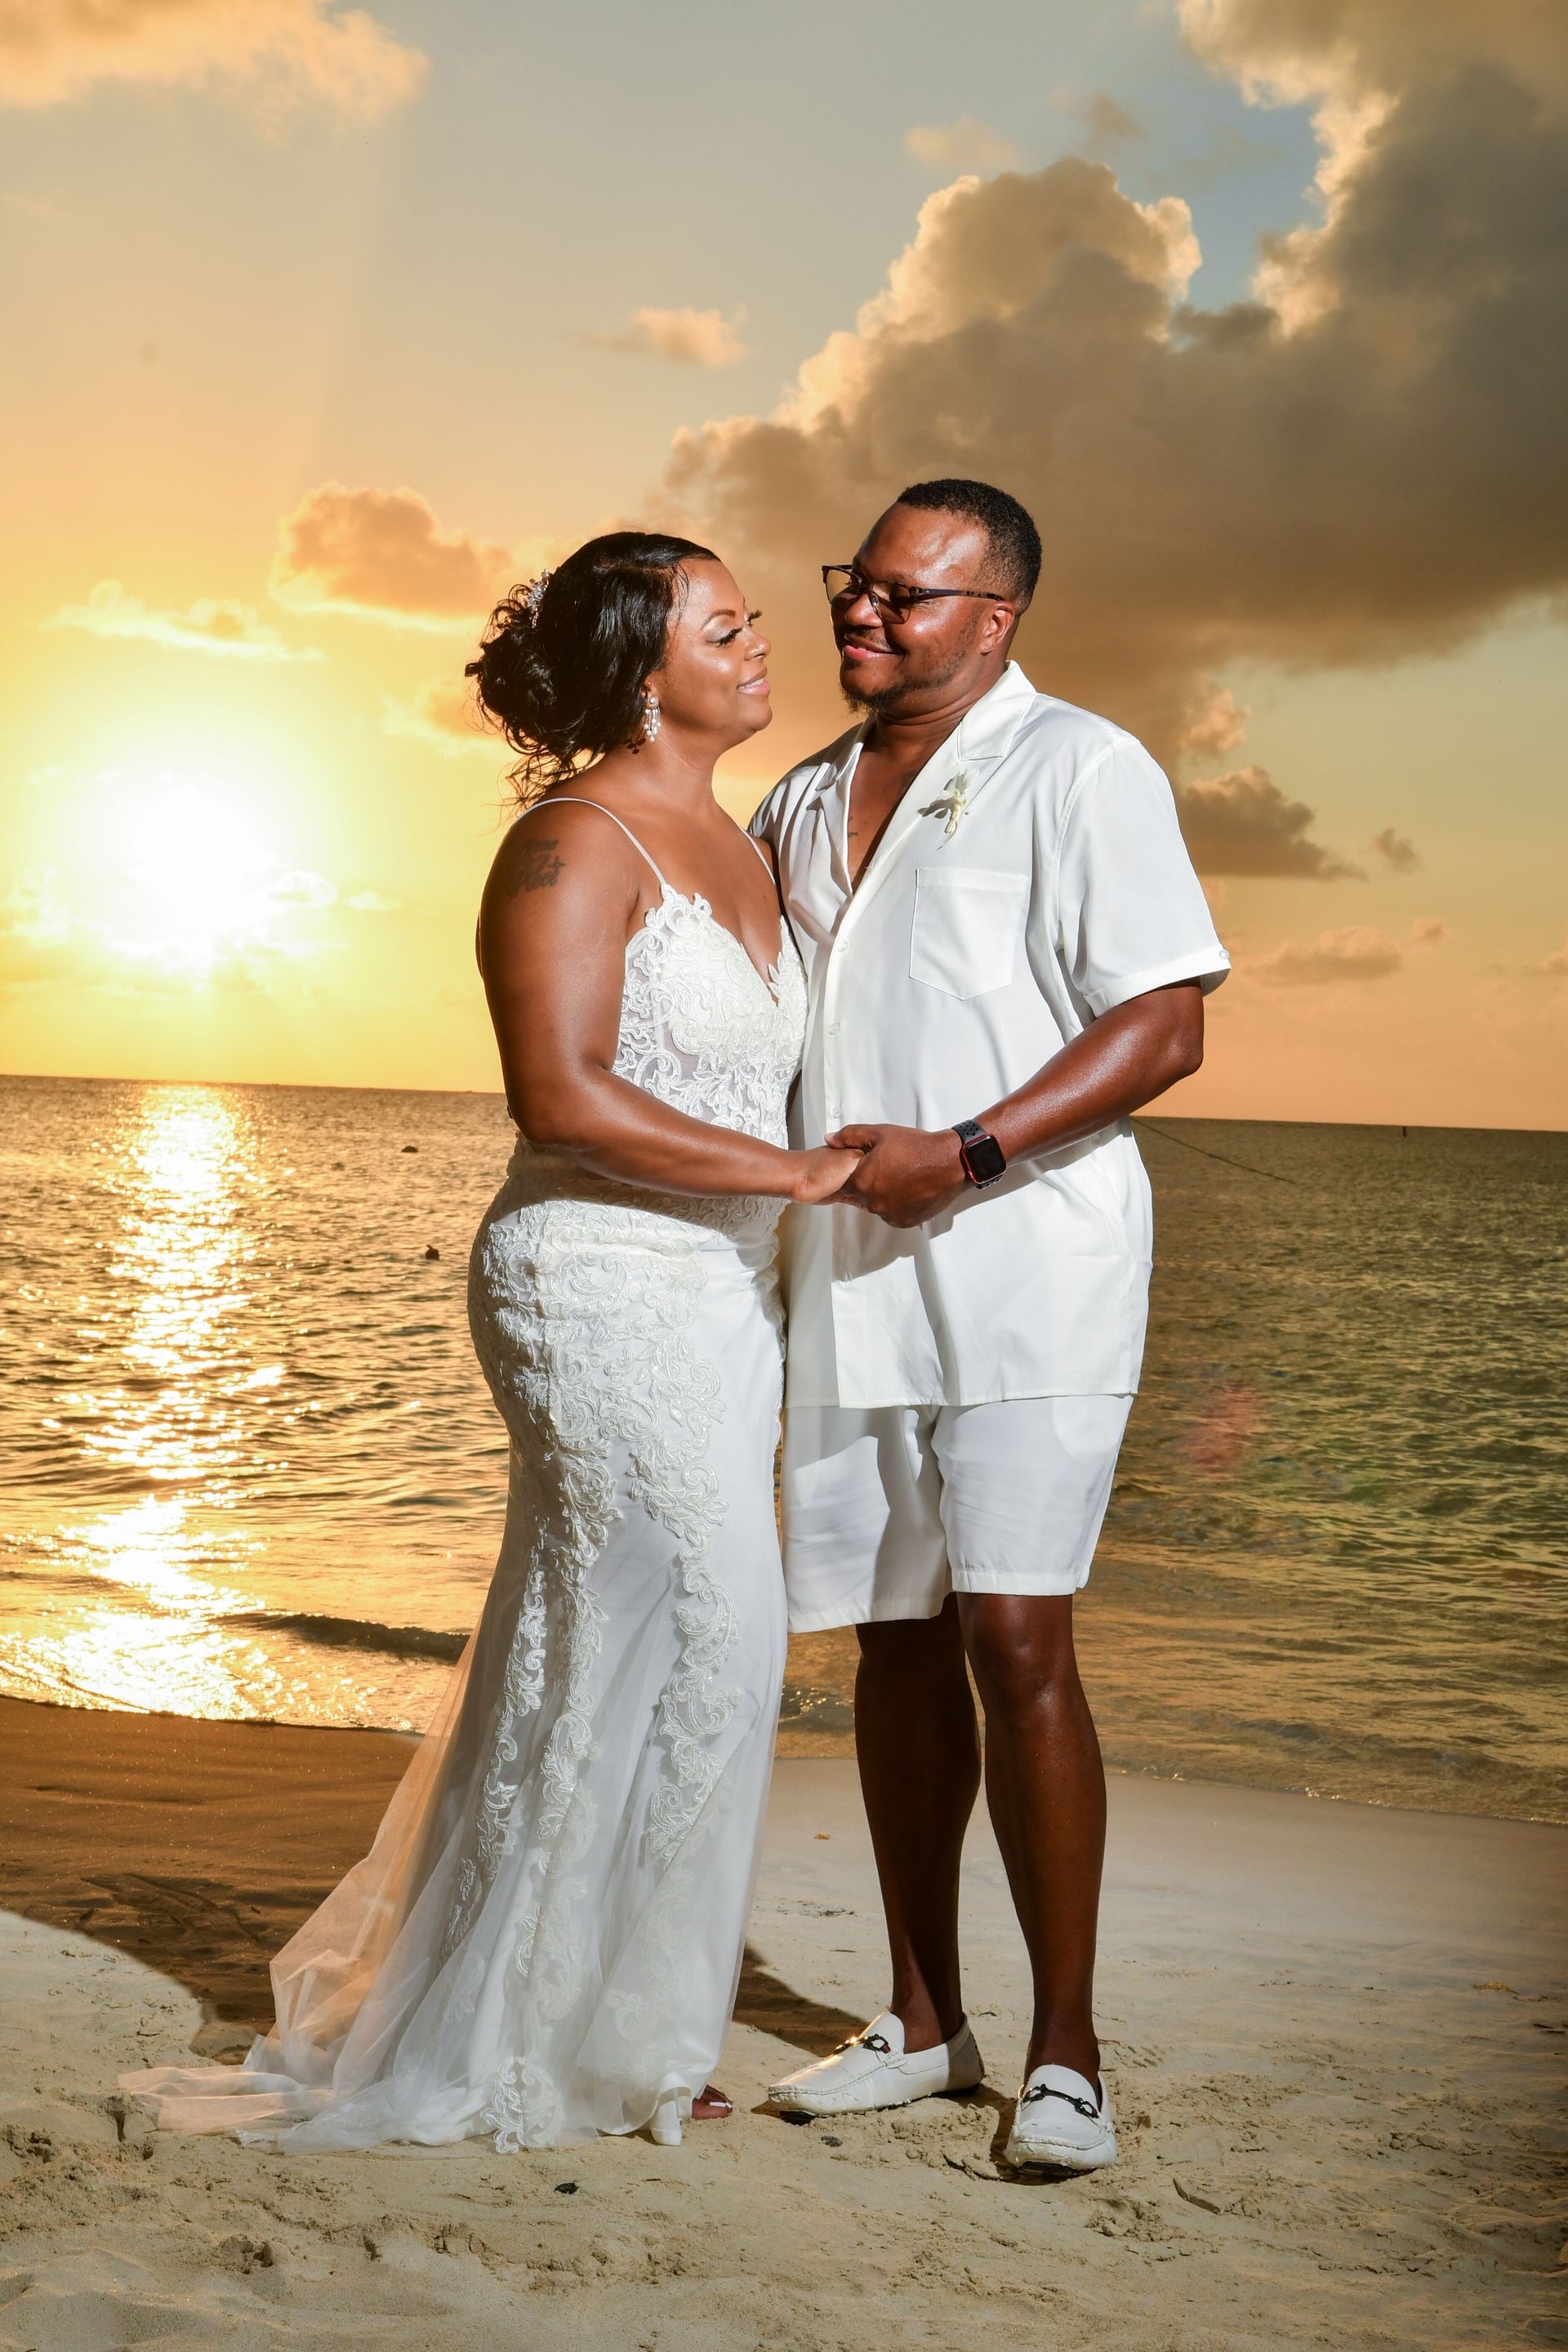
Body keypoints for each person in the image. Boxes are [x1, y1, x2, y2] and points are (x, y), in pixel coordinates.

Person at [121, 532, 857, 2152]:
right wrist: (791, 1170)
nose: (755, 646)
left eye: (748, 622)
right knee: (708, 1638)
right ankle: (536, 2038)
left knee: (658, 1651)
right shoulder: (570, 845)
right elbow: (563, 1094)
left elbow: (738, 1076)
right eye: (721, 628)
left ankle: (625, 2029)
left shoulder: (742, 846)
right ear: (638, 672)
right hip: (593, 1281)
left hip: (727, 1299)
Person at [751, 479, 1229, 2172]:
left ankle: (1069, 2057)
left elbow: (1165, 1024)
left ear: (996, 616)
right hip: (848, 1274)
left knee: (1017, 1639)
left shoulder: (1083, 767)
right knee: (888, 1639)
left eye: (906, 593)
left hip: (1029, 1263)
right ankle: (923, 2018)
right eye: (854, 584)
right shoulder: (800, 796)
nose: (861, 614)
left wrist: (965, 1152)